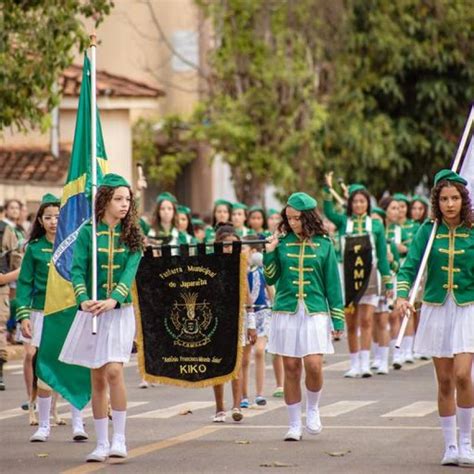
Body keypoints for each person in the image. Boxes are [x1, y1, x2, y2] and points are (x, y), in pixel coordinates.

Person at [59, 174, 143, 462]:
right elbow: (78, 269)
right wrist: (83, 298)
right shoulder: (87, 232)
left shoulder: (132, 232)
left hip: (119, 311)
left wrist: (114, 299)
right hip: (92, 311)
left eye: (127, 199)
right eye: (118, 199)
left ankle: (120, 438)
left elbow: (131, 269)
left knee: (114, 371)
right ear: (104, 200)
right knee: (96, 377)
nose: (124, 204)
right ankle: (101, 442)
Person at [397, 169, 474, 466]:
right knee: (444, 381)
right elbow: (409, 267)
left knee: (463, 375)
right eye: (444, 198)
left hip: (468, 307)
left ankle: (467, 443)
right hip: (436, 309)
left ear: (463, 200)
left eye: (455, 198)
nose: (450, 204)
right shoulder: (428, 232)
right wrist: (402, 296)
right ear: (437, 201)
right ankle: (450, 445)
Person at [264, 192, 344, 441]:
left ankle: (313, 408)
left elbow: (333, 284)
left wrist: (338, 319)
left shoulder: (324, 244)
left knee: (313, 365)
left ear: (308, 218)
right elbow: (270, 277)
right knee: (290, 368)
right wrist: (270, 252)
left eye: (297, 218)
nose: (292, 223)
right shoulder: (283, 241)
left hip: (315, 311)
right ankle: (293, 423)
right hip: (286, 310)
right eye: (288, 218)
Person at [16, 194, 87, 442]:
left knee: (75, 364)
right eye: (48, 217)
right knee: (43, 367)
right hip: (41, 313)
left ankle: (79, 422)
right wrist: (23, 315)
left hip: (70, 312)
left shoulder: (75, 246)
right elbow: (24, 285)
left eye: (58, 216)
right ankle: (43, 425)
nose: (54, 221)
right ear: (40, 220)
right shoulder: (34, 249)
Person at [324, 180, 393, 378]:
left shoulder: (377, 225)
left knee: (366, 320)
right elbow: (328, 211)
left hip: (369, 276)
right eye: (355, 202)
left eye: (363, 202)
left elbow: (381, 255)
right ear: (350, 204)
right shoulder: (344, 222)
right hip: (347, 277)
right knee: (351, 322)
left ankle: (365, 363)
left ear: (368, 204)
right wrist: (327, 189)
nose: (359, 205)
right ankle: (354, 363)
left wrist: (388, 282)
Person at [211, 224, 257, 423]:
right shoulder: (210, 265)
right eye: (226, 245)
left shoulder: (241, 264)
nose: (229, 249)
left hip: (238, 318)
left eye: (233, 245)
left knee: (236, 364)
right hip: (216, 318)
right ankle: (220, 407)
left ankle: (237, 405)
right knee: (218, 365)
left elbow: (247, 294)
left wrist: (251, 323)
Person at [240, 238, 272, 408]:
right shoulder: (238, 272)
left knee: (259, 352)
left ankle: (260, 394)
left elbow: (270, 291)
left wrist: (275, 310)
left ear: (253, 252)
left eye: (244, 248)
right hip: (245, 314)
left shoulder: (261, 271)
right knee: (244, 359)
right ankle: (243, 395)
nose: (242, 251)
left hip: (262, 313)